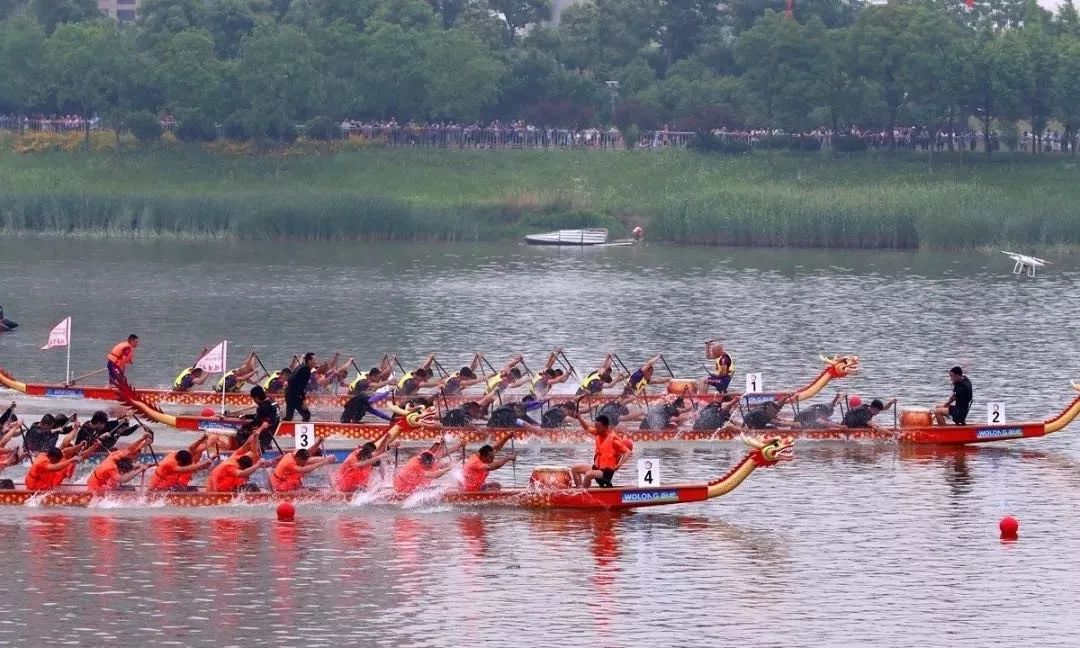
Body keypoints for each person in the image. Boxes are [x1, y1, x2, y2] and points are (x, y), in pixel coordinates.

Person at [569, 413, 630, 488]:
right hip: (597, 468)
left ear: (606, 427)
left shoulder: (613, 439)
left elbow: (628, 452)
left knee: (588, 474)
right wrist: (580, 419)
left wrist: (619, 465)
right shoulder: (597, 432)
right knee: (575, 468)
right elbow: (587, 427)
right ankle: (580, 489)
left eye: (598, 427)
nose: (596, 429)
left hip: (606, 473)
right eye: (595, 426)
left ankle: (584, 493)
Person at [86, 433, 152, 493]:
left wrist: (143, 440)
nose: (136, 459)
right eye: (136, 457)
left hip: (102, 481)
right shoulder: (111, 467)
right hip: (95, 488)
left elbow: (130, 449)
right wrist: (140, 469)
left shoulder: (117, 455)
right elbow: (123, 479)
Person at [147, 436, 212, 491]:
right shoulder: (171, 464)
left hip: (169, 485)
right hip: (159, 488)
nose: (200, 456)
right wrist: (203, 464)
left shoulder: (176, 454)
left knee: (193, 489)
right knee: (193, 491)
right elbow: (184, 469)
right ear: (180, 462)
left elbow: (191, 448)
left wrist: (201, 440)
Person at [271, 446, 336, 492]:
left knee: (300, 479)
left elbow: (308, 453)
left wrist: (318, 443)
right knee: (302, 483)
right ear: (299, 459)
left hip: (282, 480)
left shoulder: (292, 454)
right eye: (304, 462)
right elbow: (304, 469)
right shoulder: (290, 463)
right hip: (278, 485)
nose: (305, 463)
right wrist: (324, 462)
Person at [236, 386, 280, 450]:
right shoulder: (273, 402)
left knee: (241, 432)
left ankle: (244, 450)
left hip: (265, 431)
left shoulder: (263, 407)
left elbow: (258, 420)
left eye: (254, 399)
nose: (255, 401)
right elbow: (263, 416)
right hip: (273, 429)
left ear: (256, 398)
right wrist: (246, 416)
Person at [284, 352, 317, 422]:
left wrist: (287, 382)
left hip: (289, 394)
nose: (316, 361)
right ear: (309, 361)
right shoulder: (306, 370)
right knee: (306, 414)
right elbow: (300, 387)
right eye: (314, 360)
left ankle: (279, 428)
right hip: (293, 395)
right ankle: (302, 432)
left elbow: (291, 377)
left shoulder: (301, 366)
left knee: (288, 417)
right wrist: (303, 400)